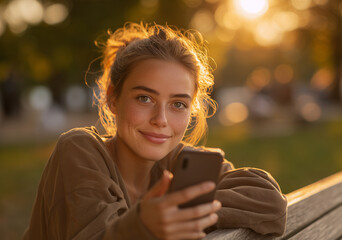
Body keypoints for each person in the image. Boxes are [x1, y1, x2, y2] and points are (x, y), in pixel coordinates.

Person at [23, 23, 287, 240]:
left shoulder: (177, 163)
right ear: (113, 98)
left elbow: (271, 205)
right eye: (144, 99)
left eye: (178, 104)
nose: (161, 120)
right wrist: (145, 224)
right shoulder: (79, 149)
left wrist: (179, 210)